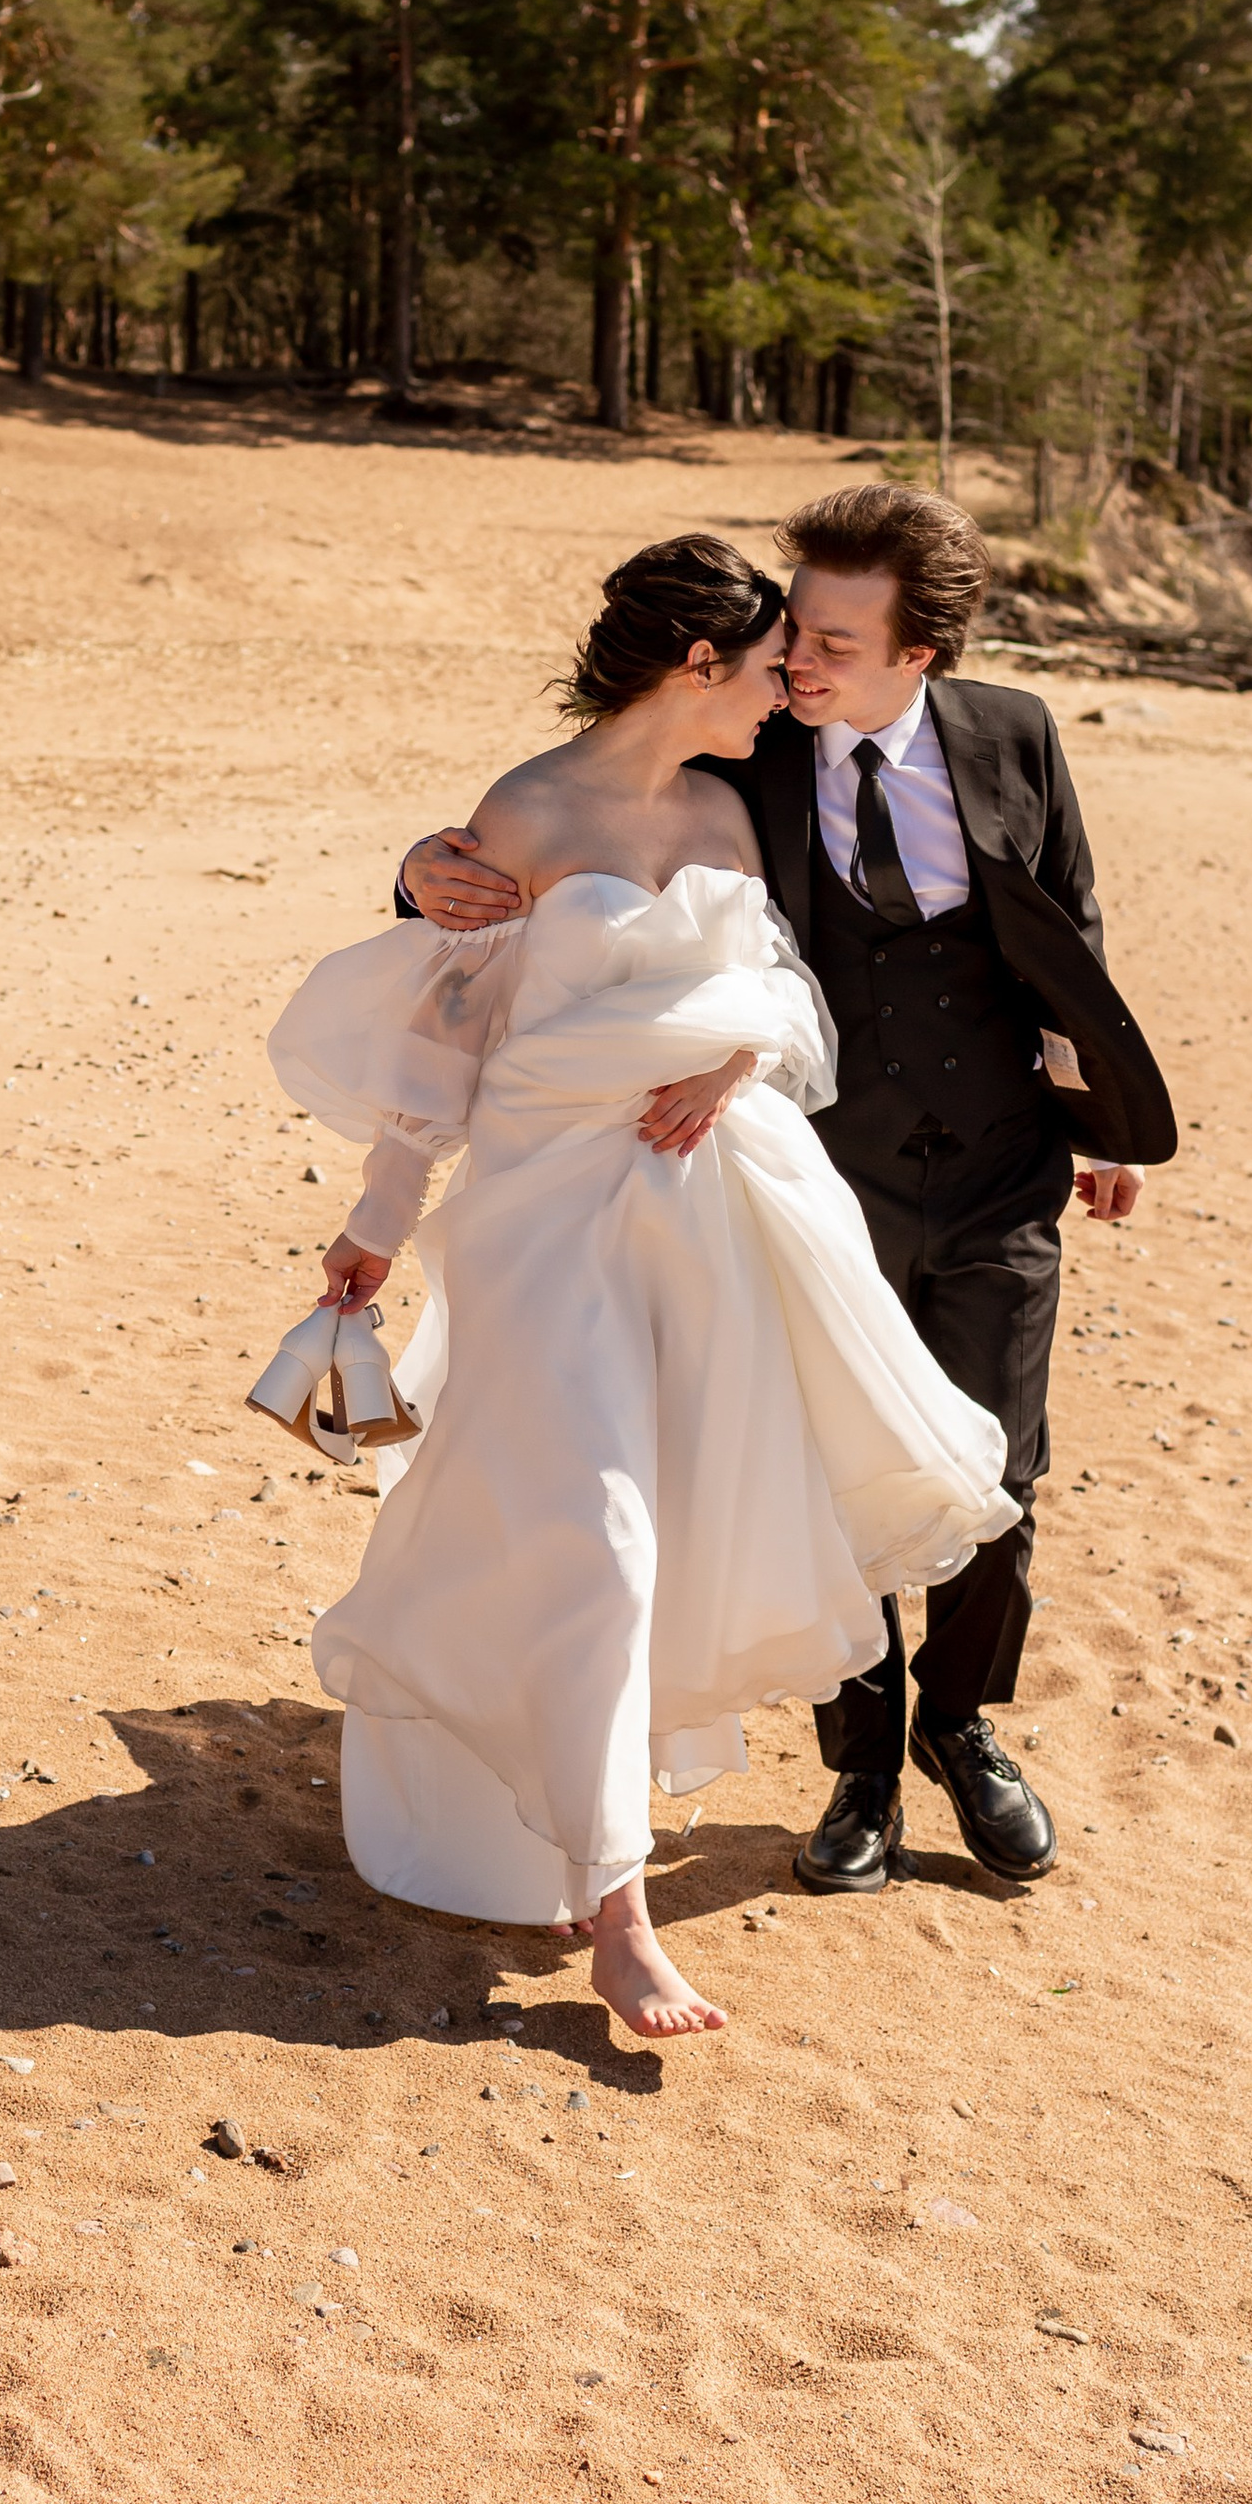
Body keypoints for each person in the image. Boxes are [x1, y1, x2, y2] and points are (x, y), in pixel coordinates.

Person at [268, 534, 1019, 2044]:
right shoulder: (524, 815)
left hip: (715, 1231)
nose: (788, 692)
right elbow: (446, 1042)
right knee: (598, 1538)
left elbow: (789, 988)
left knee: (666, 1525)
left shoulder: (738, 802)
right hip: (549, 1231)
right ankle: (621, 1917)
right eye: (764, 668)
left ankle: (602, 1822)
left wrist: (739, 1049)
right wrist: (376, 1220)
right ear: (697, 667)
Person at [400, 484, 1176, 1901]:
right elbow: (582, 818)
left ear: (917, 652)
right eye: (791, 635)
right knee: (836, 1458)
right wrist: (417, 873)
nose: (798, 659)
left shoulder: (1014, 735)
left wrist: (1102, 1124)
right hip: (821, 1164)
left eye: (830, 638)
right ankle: (863, 1767)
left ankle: (963, 1722)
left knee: (998, 1461)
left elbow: (1070, 928)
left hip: (1006, 1162)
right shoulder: (751, 753)